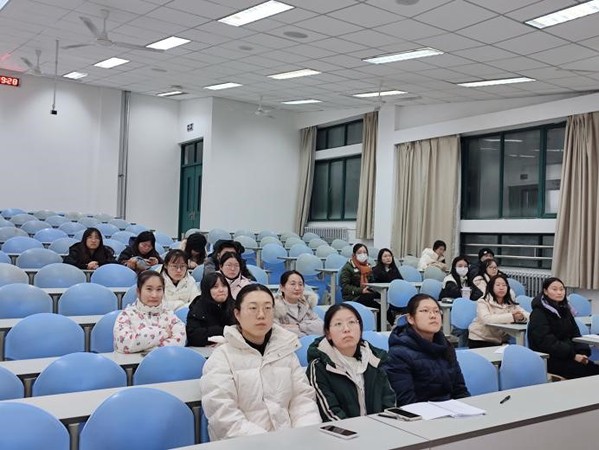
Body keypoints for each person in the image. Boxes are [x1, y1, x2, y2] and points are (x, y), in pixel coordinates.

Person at [200, 284, 321, 441]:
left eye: (268, 308)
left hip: (291, 442)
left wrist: (301, 437)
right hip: (244, 444)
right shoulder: (222, 357)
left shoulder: (286, 352)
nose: (261, 315)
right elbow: (223, 416)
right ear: (237, 314)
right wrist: (268, 443)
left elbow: (303, 400)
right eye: (253, 308)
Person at [306, 303, 395, 421]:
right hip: (343, 431)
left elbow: (389, 401)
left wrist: (384, 426)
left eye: (352, 322)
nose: (346, 329)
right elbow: (330, 413)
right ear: (328, 333)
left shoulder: (374, 359)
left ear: (360, 328)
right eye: (338, 324)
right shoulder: (319, 367)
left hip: (379, 428)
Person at [383, 294, 470, 406]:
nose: (433, 316)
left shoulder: (446, 347)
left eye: (436, 311)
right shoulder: (398, 354)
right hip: (420, 414)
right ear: (410, 318)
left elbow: (460, 390)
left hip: (451, 411)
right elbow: (406, 402)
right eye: (425, 311)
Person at [528, 277, 599, 379]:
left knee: (594, 370)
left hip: (568, 355)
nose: (559, 292)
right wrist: (573, 355)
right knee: (589, 374)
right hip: (551, 358)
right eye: (554, 289)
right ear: (545, 291)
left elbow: (575, 333)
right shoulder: (538, 313)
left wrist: (582, 352)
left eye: (561, 289)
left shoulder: (565, 310)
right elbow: (546, 342)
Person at [113, 271, 186, 353]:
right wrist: (164, 333)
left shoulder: (169, 315)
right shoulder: (126, 315)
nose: (154, 295)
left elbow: (180, 341)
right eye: (149, 289)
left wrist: (147, 349)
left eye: (159, 289)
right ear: (138, 291)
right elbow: (124, 343)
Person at [467, 274, 529, 348]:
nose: (501, 288)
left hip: (501, 341)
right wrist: (512, 317)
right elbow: (486, 319)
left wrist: (521, 317)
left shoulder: (510, 302)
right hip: (481, 339)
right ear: (491, 287)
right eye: (498, 285)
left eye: (504, 285)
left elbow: (527, 315)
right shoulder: (483, 301)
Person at [186, 272, 235, 347]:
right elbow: (194, 336)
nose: (221, 290)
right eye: (215, 287)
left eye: (224, 285)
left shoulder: (235, 306)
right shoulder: (197, 309)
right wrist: (221, 330)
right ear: (206, 290)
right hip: (205, 350)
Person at [274, 270, 323, 337]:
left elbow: (322, 327)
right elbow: (277, 331)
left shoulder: (306, 305)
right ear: (282, 287)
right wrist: (308, 331)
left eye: (300, 284)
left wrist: (299, 326)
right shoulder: (275, 308)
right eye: (292, 284)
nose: (297, 288)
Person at [339, 243, 379, 309]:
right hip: (352, 296)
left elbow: (372, 281)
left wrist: (371, 288)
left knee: (382, 297)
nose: (362, 255)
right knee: (373, 302)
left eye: (365, 252)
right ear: (354, 255)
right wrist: (361, 290)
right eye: (359, 253)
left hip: (367, 293)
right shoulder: (347, 267)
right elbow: (345, 286)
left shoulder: (368, 266)